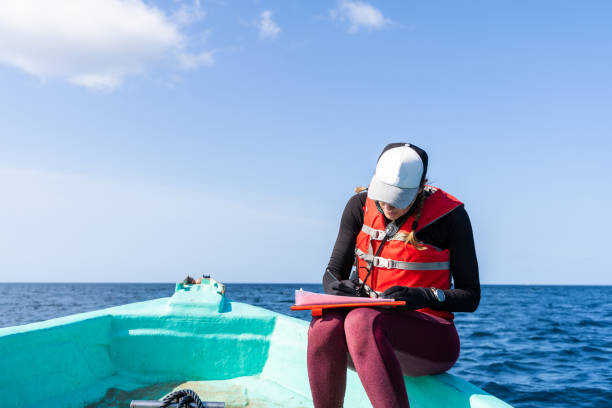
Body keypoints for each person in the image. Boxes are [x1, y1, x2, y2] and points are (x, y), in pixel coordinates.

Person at [307, 143, 480, 408]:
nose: (388, 205)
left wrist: (422, 296)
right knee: (324, 324)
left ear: (421, 187)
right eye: (384, 195)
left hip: (431, 339)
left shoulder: (452, 217)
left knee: (361, 322)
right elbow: (331, 273)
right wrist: (337, 288)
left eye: (399, 198)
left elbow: (470, 296)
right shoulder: (358, 206)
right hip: (366, 334)